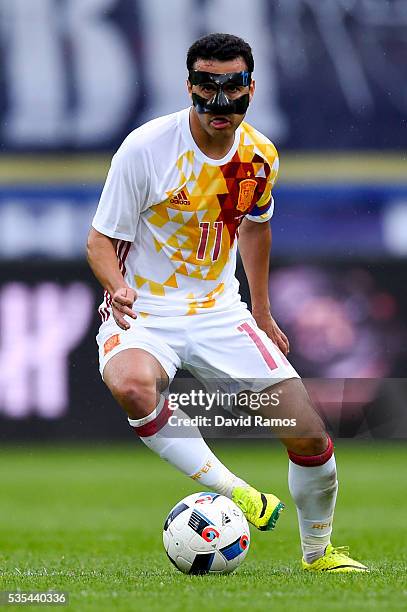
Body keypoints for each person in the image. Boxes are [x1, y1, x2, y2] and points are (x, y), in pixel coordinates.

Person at [87, 33, 367, 572]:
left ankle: (318, 554)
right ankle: (236, 491)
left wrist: (261, 311)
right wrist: (117, 287)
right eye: (206, 88)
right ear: (188, 87)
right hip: (145, 310)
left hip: (222, 314)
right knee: (130, 383)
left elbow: (256, 229)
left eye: (232, 87)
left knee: (309, 435)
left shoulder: (260, 156)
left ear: (251, 88)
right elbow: (100, 240)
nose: (220, 103)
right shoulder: (145, 149)